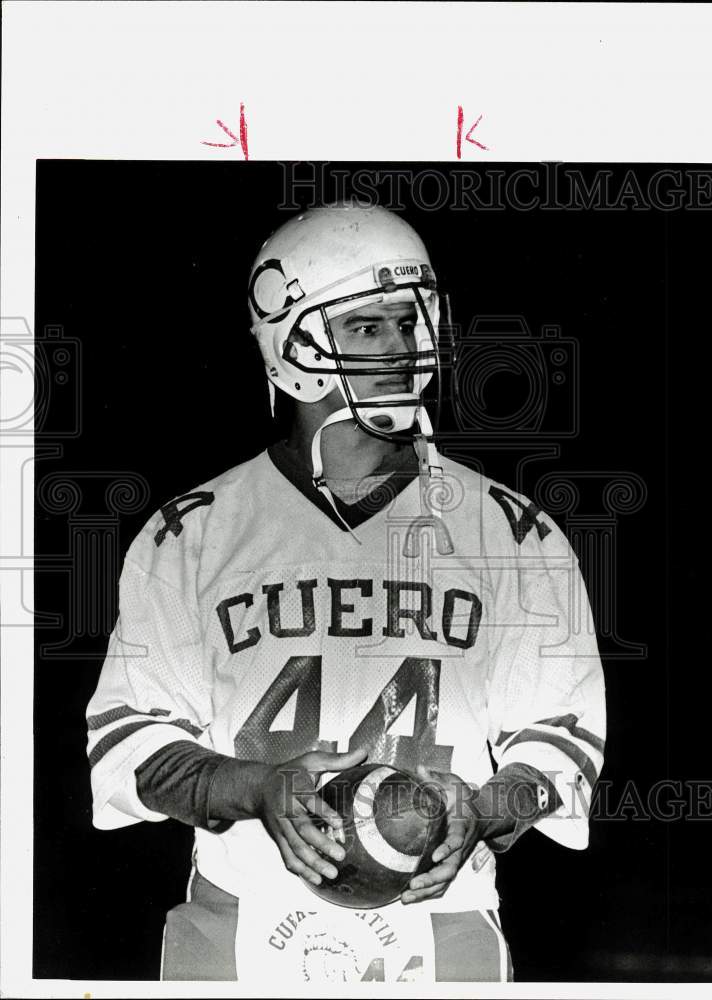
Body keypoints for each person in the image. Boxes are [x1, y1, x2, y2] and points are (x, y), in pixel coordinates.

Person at [86, 204, 606, 984]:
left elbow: (561, 744)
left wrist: (484, 809)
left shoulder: (512, 533)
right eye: (367, 329)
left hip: (443, 921)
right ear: (291, 341)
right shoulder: (190, 534)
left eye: (409, 322)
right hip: (237, 915)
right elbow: (128, 745)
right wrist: (256, 787)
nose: (401, 349)